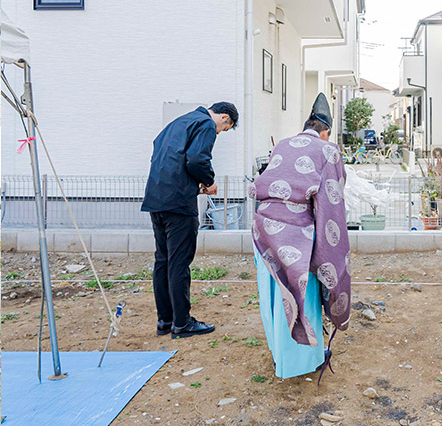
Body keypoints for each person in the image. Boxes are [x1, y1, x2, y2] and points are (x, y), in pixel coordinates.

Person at [250, 93, 351, 379]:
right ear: (326, 131)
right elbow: (330, 203)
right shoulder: (327, 150)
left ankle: (278, 355)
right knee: (301, 297)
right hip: (294, 235)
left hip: (262, 228)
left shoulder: (282, 144)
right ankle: (300, 362)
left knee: (274, 295)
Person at [141, 101, 238, 339]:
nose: (219, 133)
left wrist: (193, 186)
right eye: (224, 129)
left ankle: (165, 320)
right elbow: (196, 159)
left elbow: (166, 156)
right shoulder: (205, 123)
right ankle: (182, 323)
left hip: (156, 197)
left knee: (162, 260)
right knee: (179, 262)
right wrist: (209, 181)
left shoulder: (178, 123)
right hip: (178, 205)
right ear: (224, 118)